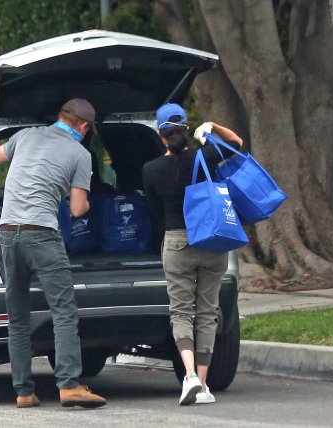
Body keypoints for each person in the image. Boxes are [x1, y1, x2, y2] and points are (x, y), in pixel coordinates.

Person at [0, 98, 107, 409]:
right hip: (41, 234)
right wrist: (89, 202)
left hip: (7, 232)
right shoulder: (80, 154)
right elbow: (77, 208)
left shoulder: (26, 135)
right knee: (64, 311)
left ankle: (24, 392)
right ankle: (69, 385)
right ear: (83, 126)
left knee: (17, 317)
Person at [141, 103, 243, 406]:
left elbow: (154, 213)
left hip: (176, 242)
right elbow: (236, 143)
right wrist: (211, 127)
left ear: (161, 136)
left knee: (181, 311)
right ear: (186, 129)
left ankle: (190, 377)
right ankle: (204, 382)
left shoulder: (151, 170)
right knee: (208, 312)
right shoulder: (206, 156)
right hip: (212, 242)